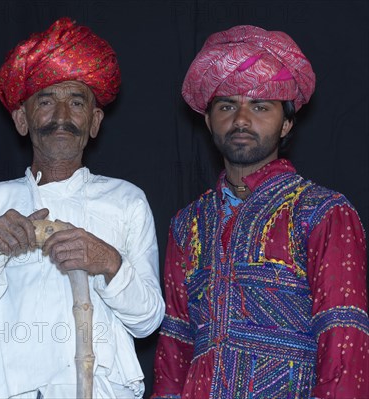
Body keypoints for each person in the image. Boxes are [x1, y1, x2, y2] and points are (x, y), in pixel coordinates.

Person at [0, 18, 164, 399]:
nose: (61, 116)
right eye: (46, 101)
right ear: (21, 119)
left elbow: (147, 322)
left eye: (76, 102)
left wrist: (109, 262)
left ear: (94, 122)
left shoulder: (126, 200)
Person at [151, 25, 369, 398]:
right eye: (226, 106)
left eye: (260, 106)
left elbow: (344, 338)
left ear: (285, 123)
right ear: (208, 120)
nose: (241, 120)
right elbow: (175, 346)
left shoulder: (321, 211)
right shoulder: (187, 224)